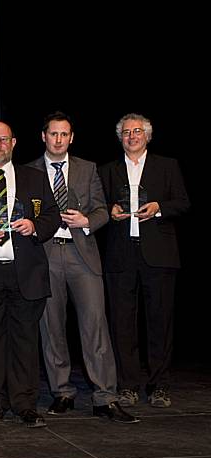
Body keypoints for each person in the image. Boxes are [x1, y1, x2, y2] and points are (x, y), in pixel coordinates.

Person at [28, 112, 138, 423]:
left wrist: (88, 220)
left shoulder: (88, 169)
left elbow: (102, 209)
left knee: (95, 326)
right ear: (44, 136)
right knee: (51, 328)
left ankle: (105, 396)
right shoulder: (29, 172)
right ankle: (62, 392)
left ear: (71, 137)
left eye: (64, 134)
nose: (59, 139)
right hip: (46, 255)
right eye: (53, 134)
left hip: (82, 255)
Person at [0, 120, 60, 428]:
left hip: (26, 273)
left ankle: (24, 404)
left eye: (3, 139)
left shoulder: (35, 178)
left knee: (24, 341)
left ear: (14, 142)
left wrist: (35, 227)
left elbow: (52, 215)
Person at [99, 113, 190, 408]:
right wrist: (110, 211)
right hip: (120, 253)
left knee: (160, 322)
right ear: (120, 137)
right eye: (126, 132)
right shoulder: (108, 170)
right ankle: (127, 386)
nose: (132, 136)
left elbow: (183, 202)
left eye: (137, 131)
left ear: (148, 135)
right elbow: (98, 207)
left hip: (159, 254)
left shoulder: (167, 166)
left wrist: (159, 208)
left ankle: (159, 385)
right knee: (122, 323)